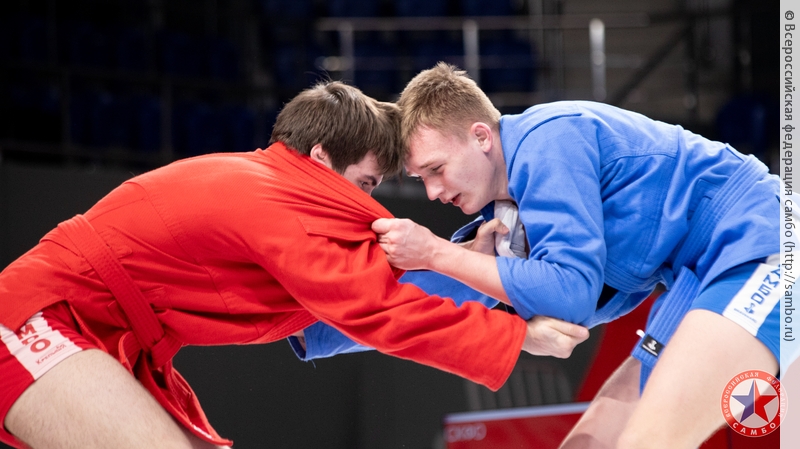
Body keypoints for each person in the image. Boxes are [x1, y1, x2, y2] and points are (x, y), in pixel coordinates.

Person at [0, 81, 590, 449]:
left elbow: (348, 300)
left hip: (101, 336)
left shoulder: (269, 186)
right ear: (321, 159)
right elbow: (376, 309)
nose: (370, 201)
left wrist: (462, 263)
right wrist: (518, 338)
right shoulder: (271, 201)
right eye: (366, 182)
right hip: (37, 317)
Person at [301, 63, 784, 448]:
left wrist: (435, 252)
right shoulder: (504, 213)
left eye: (436, 169)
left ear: (481, 137)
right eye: (421, 179)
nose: (432, 192)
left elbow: (570, 295)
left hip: (763, 244)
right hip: (695, 281)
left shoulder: (548, 139)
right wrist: (307, 325)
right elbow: (428, 298)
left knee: (647, 441)